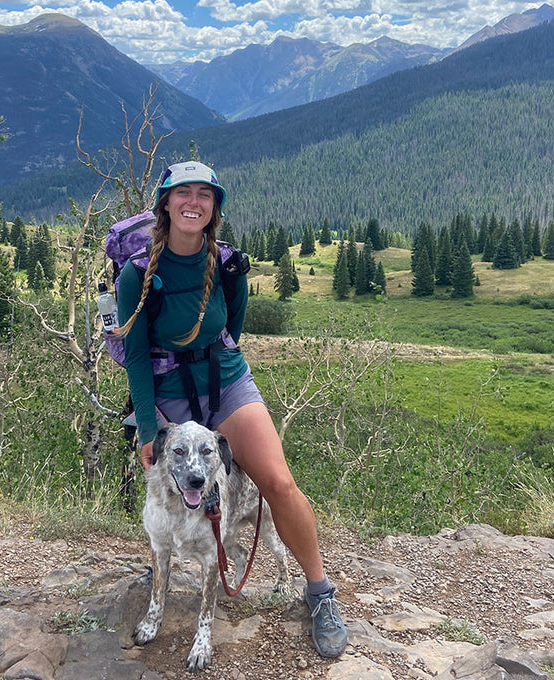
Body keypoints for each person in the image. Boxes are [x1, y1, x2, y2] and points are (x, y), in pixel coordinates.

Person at [116, 161, 348, 658]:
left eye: (205, 194)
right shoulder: (137, 274)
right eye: (183, 193)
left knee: (279, 484)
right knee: (169, 482)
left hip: (224, 380)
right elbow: (134, 355)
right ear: (165, 203)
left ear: (215, 206)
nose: (193, 202)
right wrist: (146, 431)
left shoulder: (227, 264)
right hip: (166, 389)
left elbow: (232, 330)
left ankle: (320, 593)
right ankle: (168, 554)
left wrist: (219, 389)